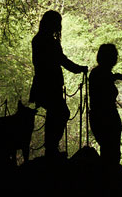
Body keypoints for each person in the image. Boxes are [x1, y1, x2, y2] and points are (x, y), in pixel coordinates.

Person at [29, 10, 87, 157]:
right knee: (60, 113)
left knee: (55, 114)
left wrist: (77, 69)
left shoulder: (39, 40)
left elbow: (59, 60)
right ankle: (51, 149)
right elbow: (62, 60)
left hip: (44, 84)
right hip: (49, 85)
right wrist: (79, 69)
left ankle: (51, 149)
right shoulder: (48, 41)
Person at [89, 43, 122, 166]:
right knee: (110, 154)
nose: (116, 58)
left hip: (102, 118)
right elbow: (104, 88)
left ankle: (108, 178)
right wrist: (119, 77)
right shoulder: (101, 74)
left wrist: (118, 76)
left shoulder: (98, 73)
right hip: (106, 118)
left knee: (108, 153)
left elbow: (106, 80)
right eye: (114, 55)